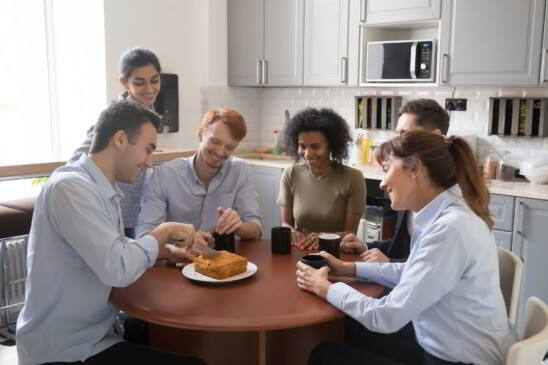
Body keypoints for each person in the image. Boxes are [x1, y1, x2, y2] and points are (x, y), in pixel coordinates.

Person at [297, 131, 515, 365]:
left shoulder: (450, 230)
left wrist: (324, 287)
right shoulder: (448, 216)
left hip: (457, 360)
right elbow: (415, 272)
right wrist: (350, 269)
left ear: (415, 169)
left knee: (325, 356)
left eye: (388, 168)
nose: (382, 183)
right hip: (451, 347)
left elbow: (385, 316)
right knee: (349, 327)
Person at [16, 101, 206, 365]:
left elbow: (111, 247)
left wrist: (164, 251)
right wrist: (162, 233)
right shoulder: (70, 188)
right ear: (120, 139)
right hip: (67, 350)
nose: (150, 162)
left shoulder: (100, 189)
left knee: (157, 330)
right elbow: (117, 268)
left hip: (97, 331)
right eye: (148, 149)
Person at [342, 98, 450, 263]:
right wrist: (365, 247)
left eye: (405, 134)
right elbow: (401, 246)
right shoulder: (410, 187)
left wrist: (388, 265)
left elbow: (429, 271)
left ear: (434, 137)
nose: (396, 143)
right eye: (397, 134)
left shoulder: (448, 213)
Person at [70, 47, 162, 239]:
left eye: (154, 80)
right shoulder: (120, 114)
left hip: (133, 212)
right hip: (114, 211)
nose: (150, 89)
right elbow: (79, 157)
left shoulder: (147, 112)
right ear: (124, 83)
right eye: (140, 83)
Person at [136, 108, 262, 241]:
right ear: (201, 133)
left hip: (220, 258)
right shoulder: (165, 175)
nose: (220, 152)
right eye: (215, 141)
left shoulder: (240, 171)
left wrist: (238, 226)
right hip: (173, 258)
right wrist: (174, 246)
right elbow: (144, 235)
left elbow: (256, 228)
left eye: (229, 147)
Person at [277, 108, 365, 250]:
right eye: (302, 146)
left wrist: (325, 238)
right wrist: (291, 232)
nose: (307, 153)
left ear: (331, 146)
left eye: (315, 147)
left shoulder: (353, 178)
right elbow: (286, 224)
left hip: (337, 253)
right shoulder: (290, 174)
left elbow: (350, 234)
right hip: (300, 251)